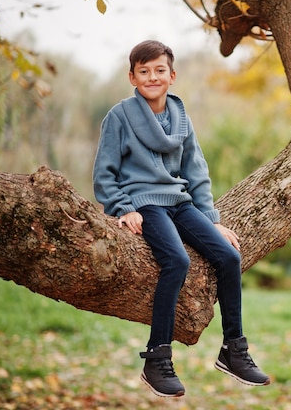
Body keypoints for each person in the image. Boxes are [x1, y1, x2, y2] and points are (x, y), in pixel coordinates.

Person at [92, 40, 270, 397]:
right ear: (132, 77)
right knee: (176, 260)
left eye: (159, 70)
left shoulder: (180, 116)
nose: (152, 77)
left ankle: (234, 350)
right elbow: (104, 172)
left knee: (229, 256)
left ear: (172, 76)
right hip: (146, 204)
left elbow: (196, 171)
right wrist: (123, 208)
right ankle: (157, 357)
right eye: (144, 71)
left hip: (180, 202)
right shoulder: (120, 115)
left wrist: (211, 218)